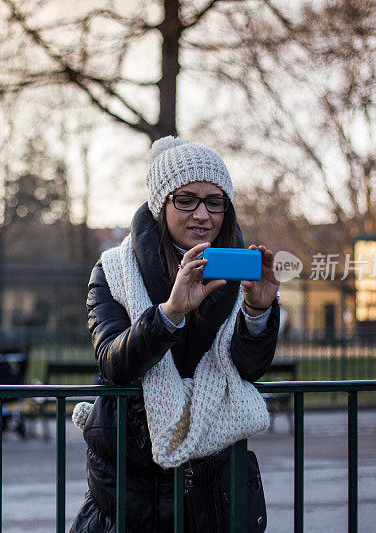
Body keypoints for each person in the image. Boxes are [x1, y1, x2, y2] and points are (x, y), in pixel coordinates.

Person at [70, 137, 280, 532]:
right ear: (160, 203)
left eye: (214, 201)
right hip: (131, 485)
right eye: (185, 199)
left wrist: (258, 311)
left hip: (214, 484)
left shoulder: (239, 274)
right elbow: (114, 362)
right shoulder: (114, 270)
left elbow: (249, 370)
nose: (202, 214)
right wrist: (169, 313)